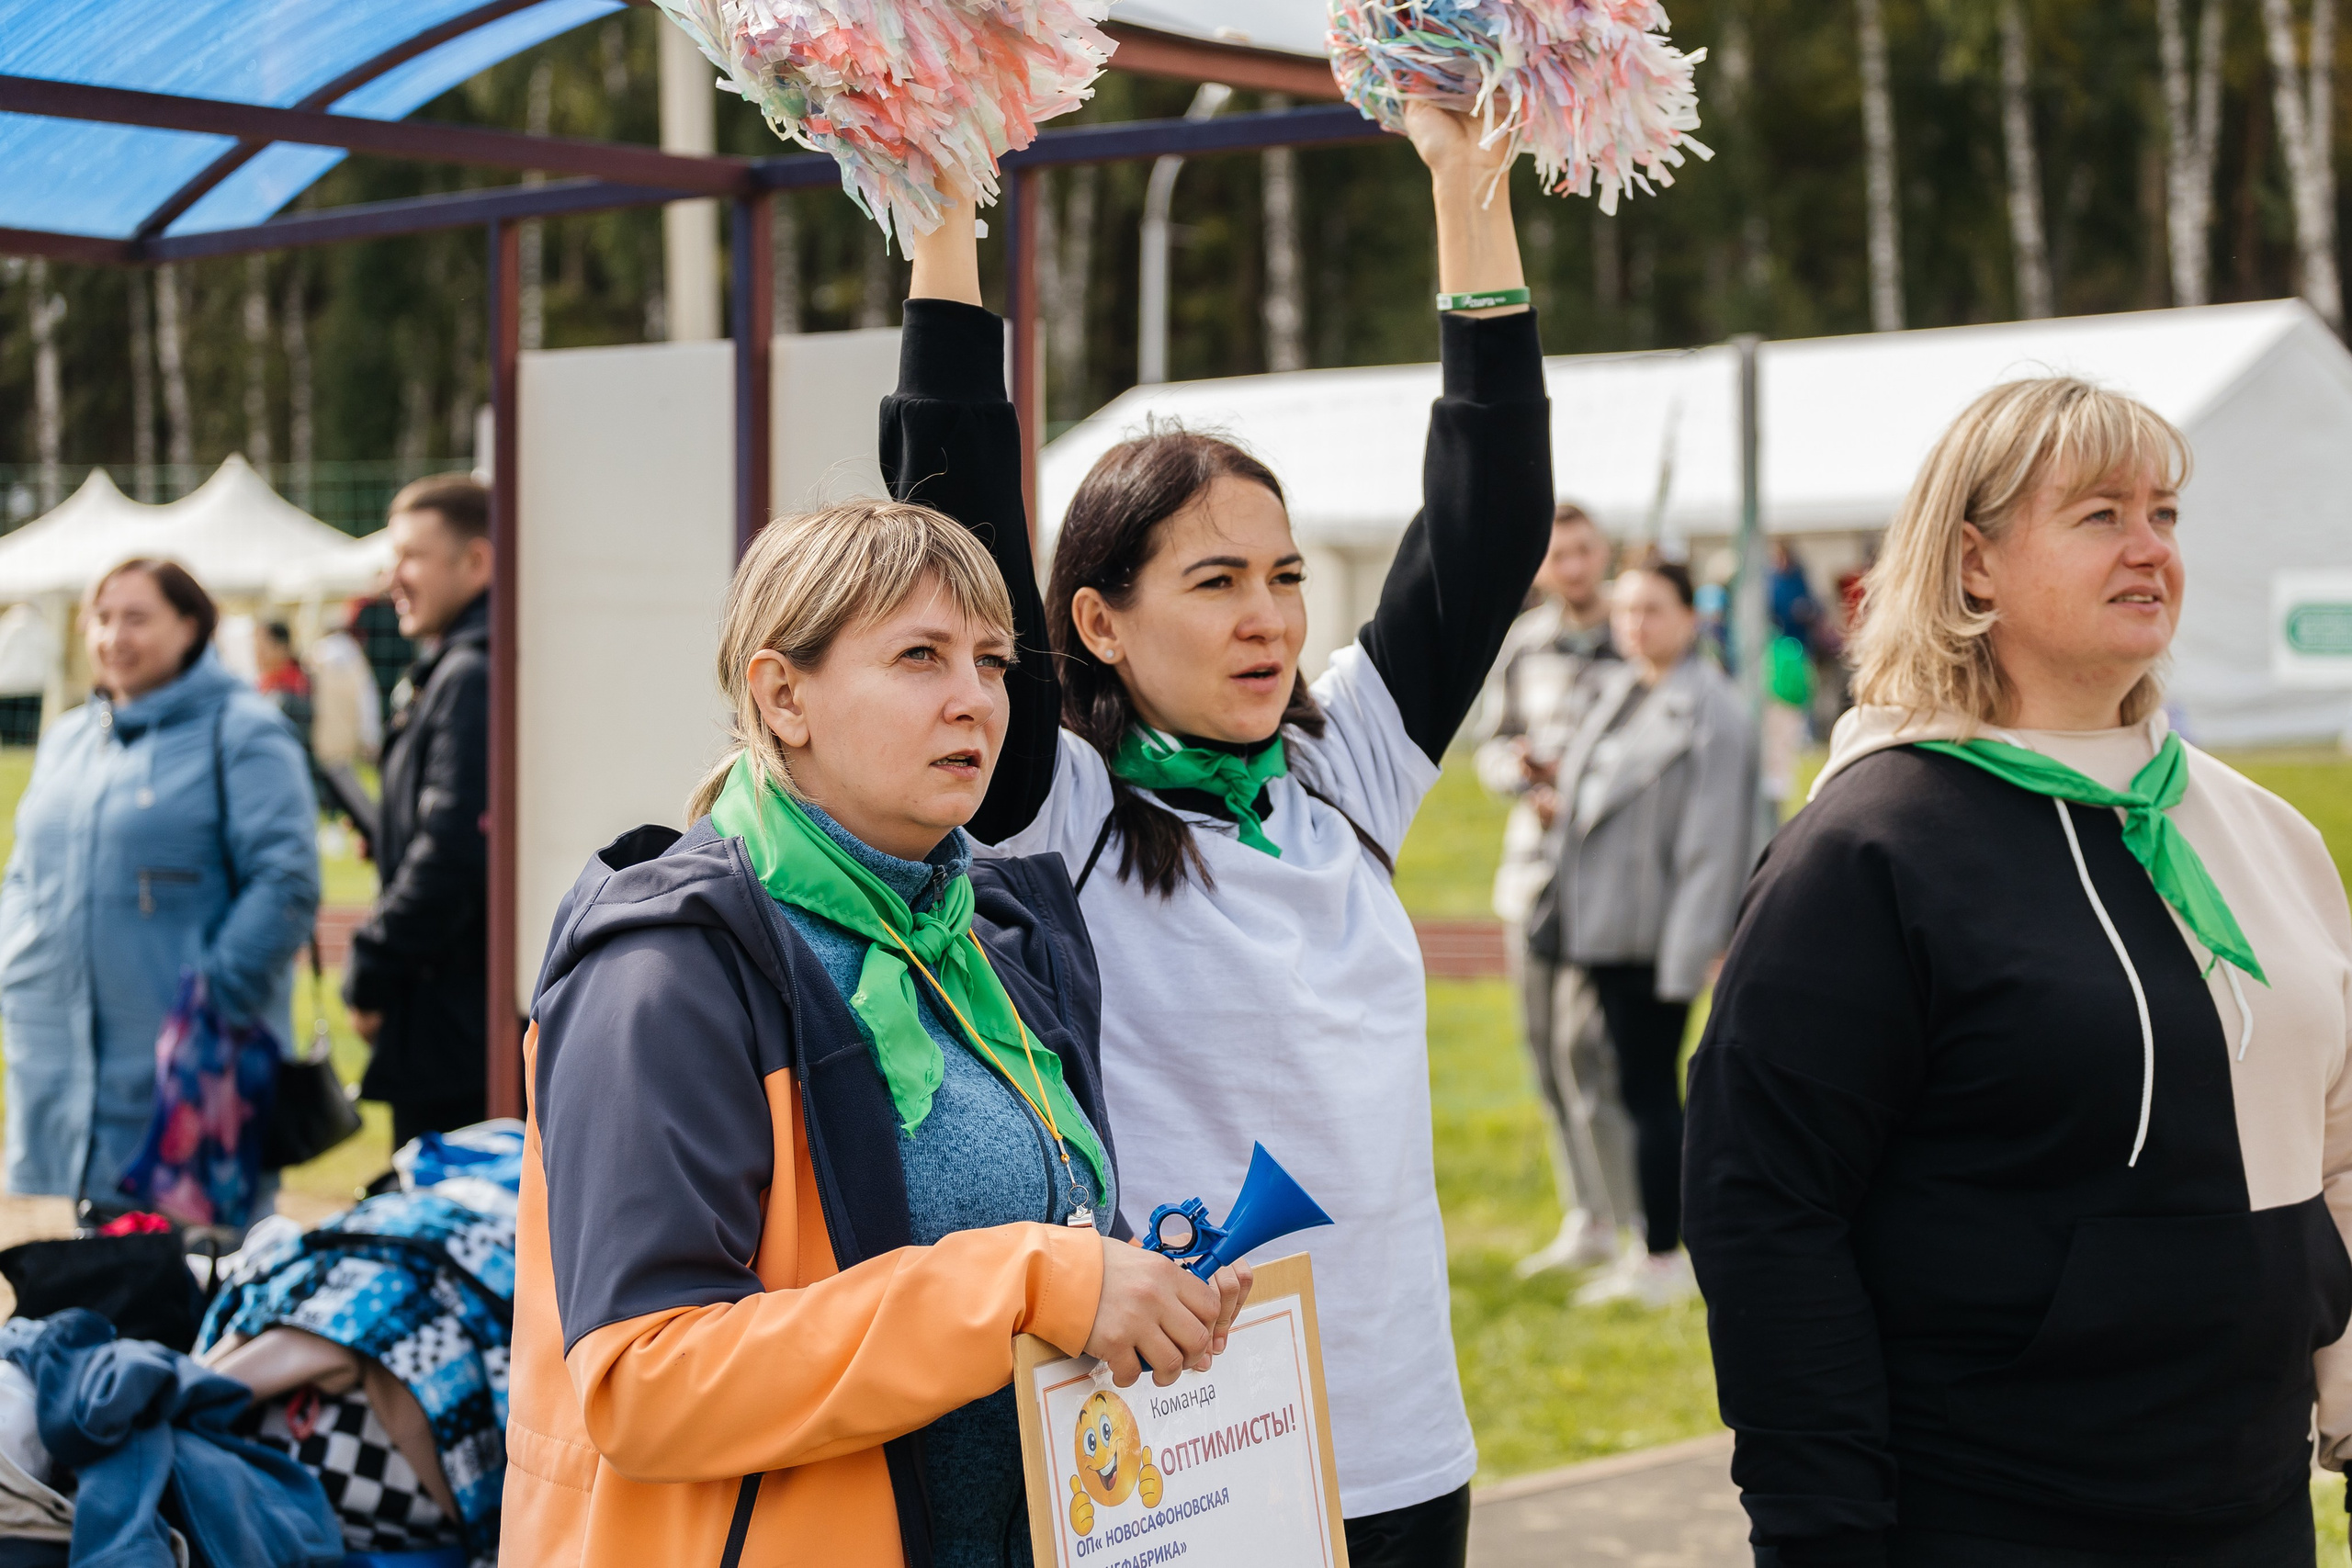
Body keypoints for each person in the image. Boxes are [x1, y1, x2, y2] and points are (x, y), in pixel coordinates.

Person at [888, 102, 1551, 1567]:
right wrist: (941, 211)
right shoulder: (1055, 806)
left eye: (1286, 576)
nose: (1268, 617)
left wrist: (1469, 183)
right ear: (1097, 621)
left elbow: (1490, 522)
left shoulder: (1346, 764)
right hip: (1183, 1448)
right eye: (1215, 581)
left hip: (1400, 1435)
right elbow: (957, 524)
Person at [501, 499, 1249, 1568]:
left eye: (991, 662)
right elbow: (646, 1383)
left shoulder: (991, 930)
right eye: (918, 657)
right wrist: (1029, 1284)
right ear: (783, 695)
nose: (974, 700)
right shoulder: (666, 968)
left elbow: (1039, 1241)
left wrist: (1133, 1292)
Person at [1683, 378, 2352, 1566]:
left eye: (2164, 514)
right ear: (1973, 563)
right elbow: (1766, 1207)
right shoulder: (1869, 851)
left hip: (2247, 1511)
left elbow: (2338, 1152)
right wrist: (1820, 1528)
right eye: (2100, 515)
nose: (2150, 548)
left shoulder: (2265, 835)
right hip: (1984, 1513)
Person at [0, 558, 318, 1203]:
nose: (114, 636)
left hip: (188, 1088)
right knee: (70, 1258)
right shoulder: (67, 739)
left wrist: (211, 1005)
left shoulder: (244, 731)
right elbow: (23, 874)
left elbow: (285, 882)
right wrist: (15, 964)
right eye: (102, 618)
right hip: (55, 1073)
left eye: (136, 618)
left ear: (190, 625)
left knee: (193, 1260)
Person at [1532, 557, 1755, 1309]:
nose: (1635, 624)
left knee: (1651, 1091)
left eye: (1653, 609)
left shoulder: (1713, 710)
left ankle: (1665, 1254)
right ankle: (1638, 1235)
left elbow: (1714, 846)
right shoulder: (1619, 690)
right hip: (1598, 927)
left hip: (1652, 938)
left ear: (1691, 616)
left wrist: (1684, 959)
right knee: (1618, 1083)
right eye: (1626, 609)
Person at [1470, 504, 1640, 1277]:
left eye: (1582, 551)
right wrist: (1521, 774)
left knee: (1596, 1055)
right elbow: (1491, 746)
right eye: (1557, 554)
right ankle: (1587, 1217)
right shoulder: (1524, 647)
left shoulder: (1635, 638)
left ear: (1604, 553)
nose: (1571, 566)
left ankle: (1637, 1220)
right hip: (1533, 877)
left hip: (1610, 879)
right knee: (1545, 1052)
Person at [344, 475, 491, 1146]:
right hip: (456, 1017)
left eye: (410, 556)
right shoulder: (456, 667)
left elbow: (452, 852)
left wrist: (370, 967)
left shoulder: (470, 674)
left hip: (455, 1028)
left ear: (477, 561)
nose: (391, 578)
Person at [304, 597, 383, 842]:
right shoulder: (355, 659)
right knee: (343, 777)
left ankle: (361, 823)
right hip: (346, 730)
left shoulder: (316, 656)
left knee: (336, 779)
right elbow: (368, 701)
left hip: (323, 730)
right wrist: (369, 735)